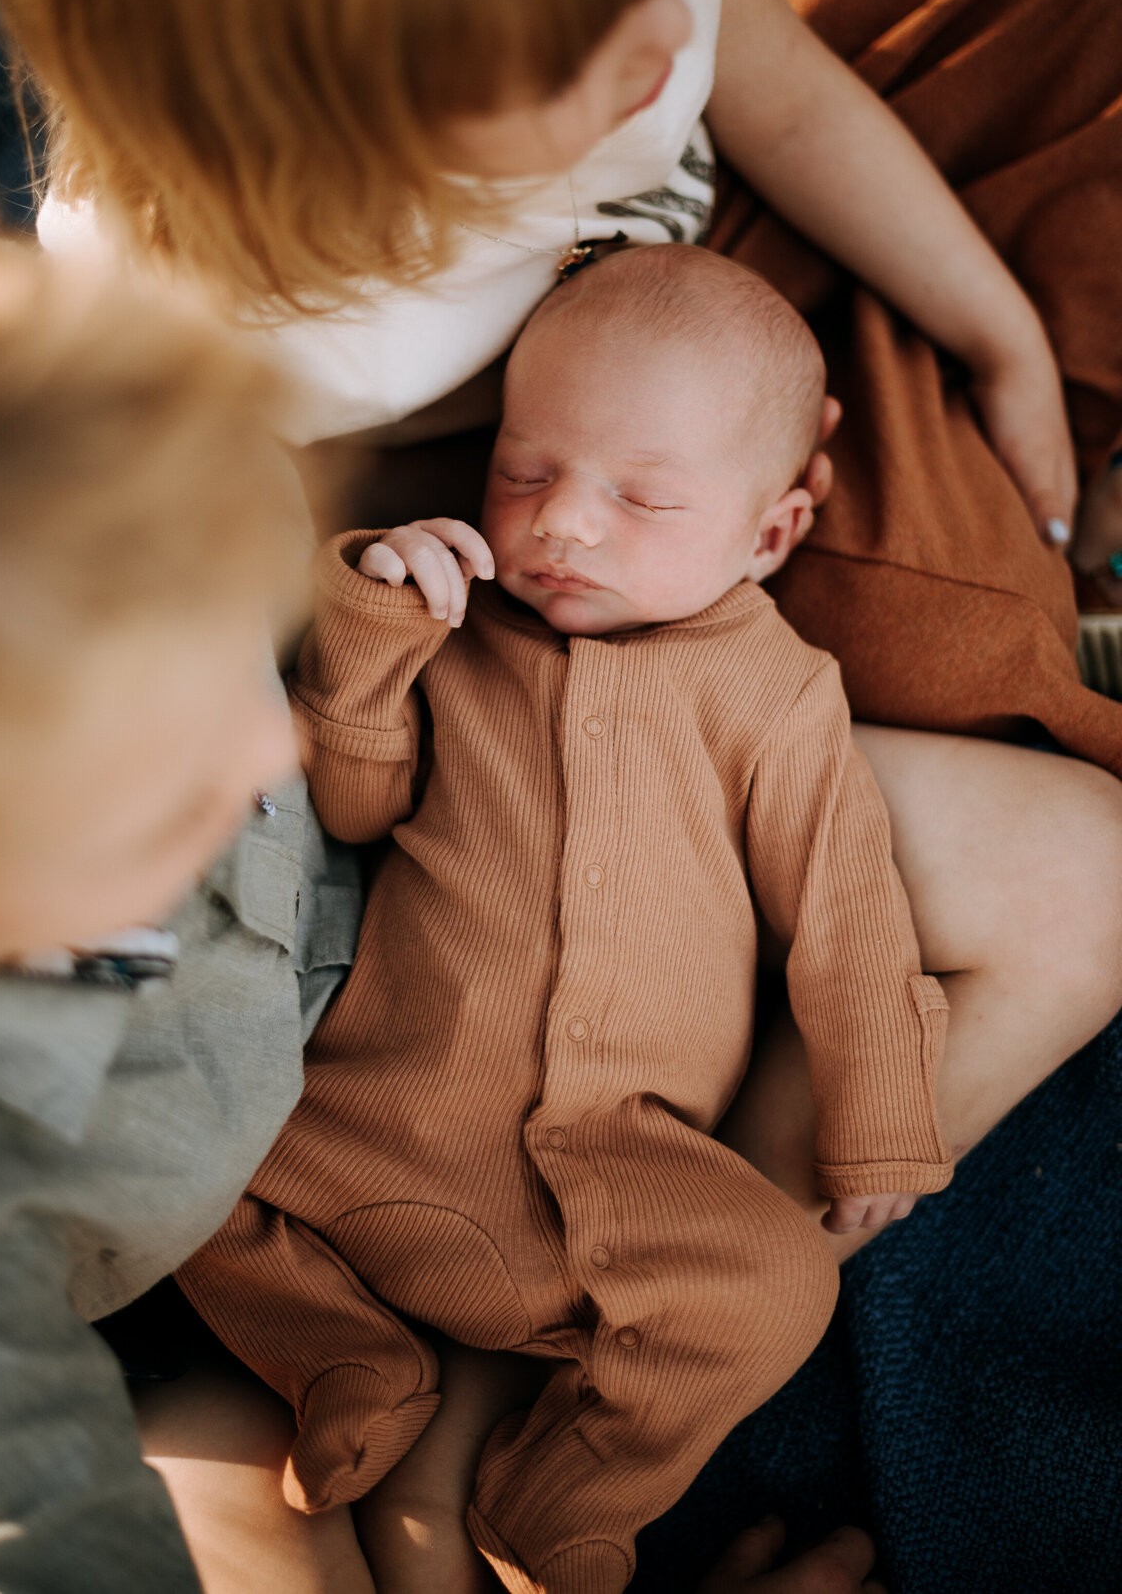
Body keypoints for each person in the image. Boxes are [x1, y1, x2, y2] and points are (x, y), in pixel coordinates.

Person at [0, 0, 1122, 1586]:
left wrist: (992, 330)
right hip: (393, 882)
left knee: (1080, 876)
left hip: (561, 695)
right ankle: (475, 1419)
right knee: (274, 1467)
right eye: (572, 54)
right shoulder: (208, 330)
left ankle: (581, 1371)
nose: (661, 43)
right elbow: (293, 679)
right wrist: (387, 623)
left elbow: (756, 59)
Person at [180, 246, 955, 1594]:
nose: (565, 525)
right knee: (170, 1165)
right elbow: (355, 806)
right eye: (526, 471)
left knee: (778, 1286)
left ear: (769, 534)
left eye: (642, 496)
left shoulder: (773, 691)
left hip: (614, 1176)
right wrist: (371, 632)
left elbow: (846, 911)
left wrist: (877, 1102)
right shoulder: (461, 629)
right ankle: (345, 1360)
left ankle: (570, 1488)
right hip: (359, 1127)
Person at [0, 207, 364, 1593]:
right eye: (181, 793)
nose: (273, 748)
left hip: (323, 1012)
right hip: (144, 1306)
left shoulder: (128, 510)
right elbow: (57, 1543)